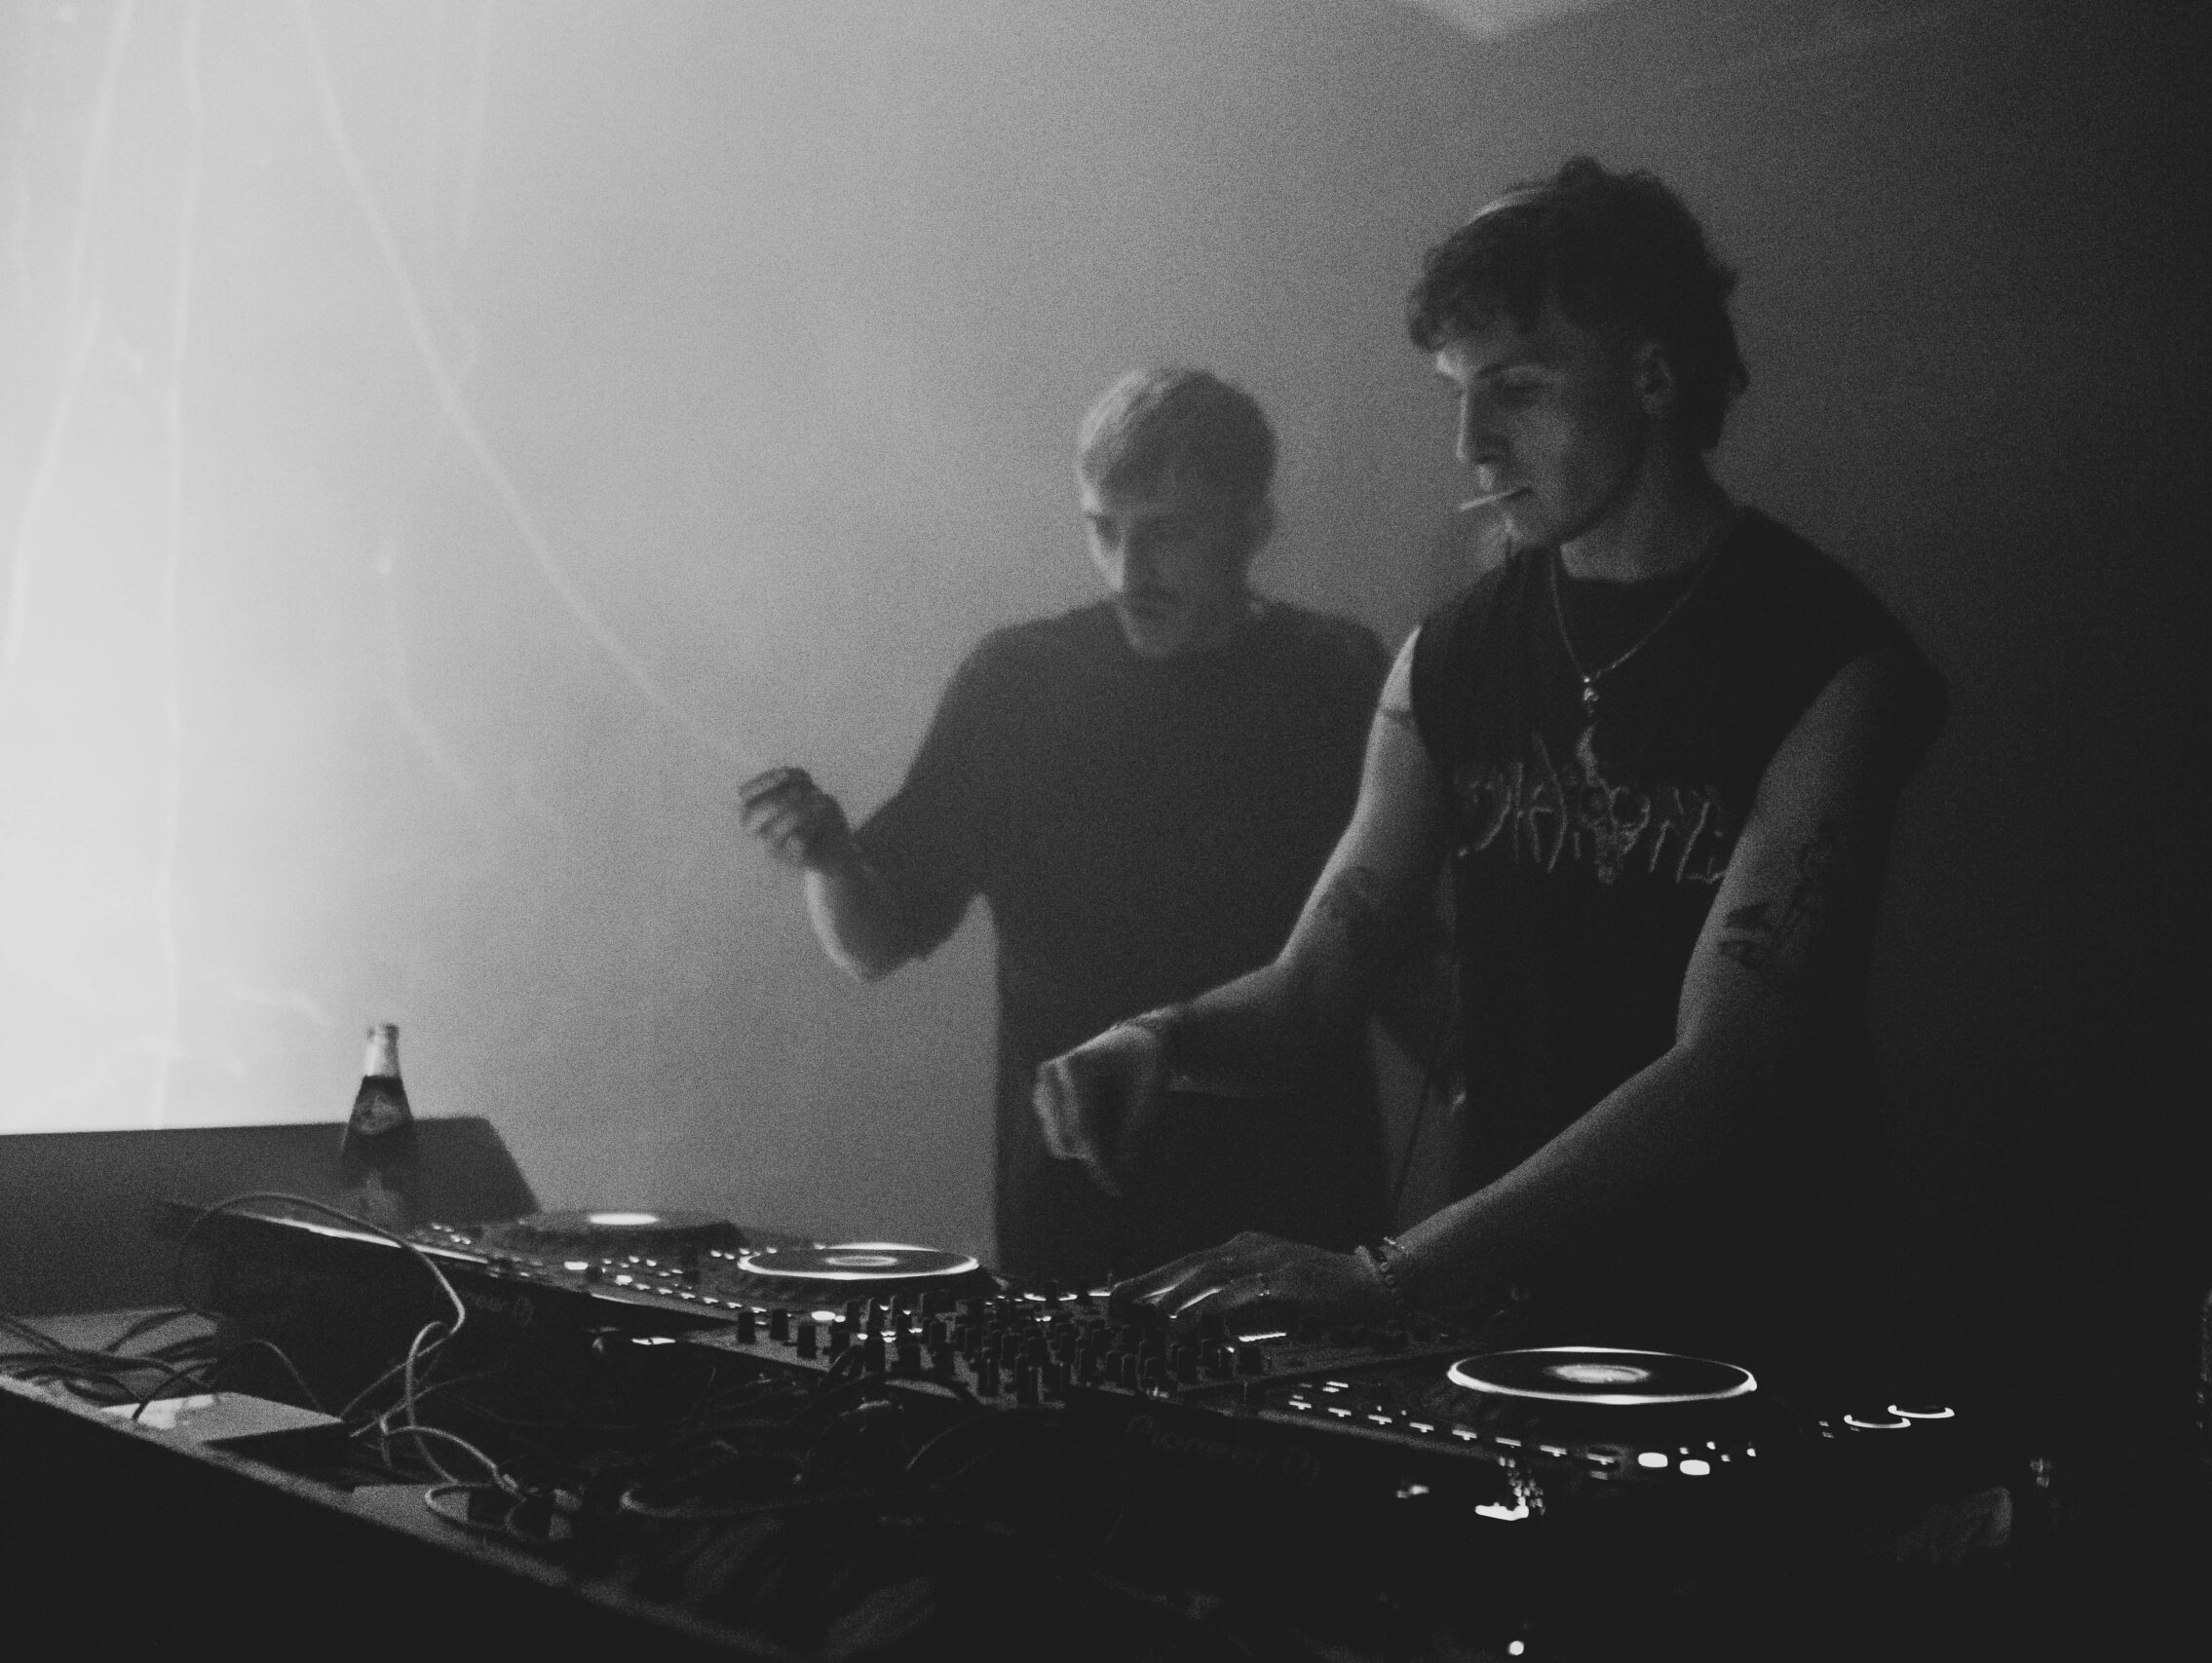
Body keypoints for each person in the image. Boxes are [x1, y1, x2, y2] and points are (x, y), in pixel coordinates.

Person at [1034, 159, 1946, 1382]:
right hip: (1511, 1328)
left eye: (1514, 387)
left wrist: (1388, 1275)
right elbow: (1315, 987)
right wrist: (1159, 1037)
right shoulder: (1448, 658)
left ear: (1653, 377)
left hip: (1757, 1325)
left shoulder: (1830, 662)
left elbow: (1729, 1065)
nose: (1469, 442)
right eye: (1458, 394)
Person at [742, 368, 1398, 1284]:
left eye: (1168, 533)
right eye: (1104, 530)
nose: (1130, 572)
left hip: (1298, 1222)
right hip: (1075, 1228)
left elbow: (1398, 950)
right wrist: (829, 859)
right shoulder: (1018, 682)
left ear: (1253, 525)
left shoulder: (1336, 674)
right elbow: (875, 943)